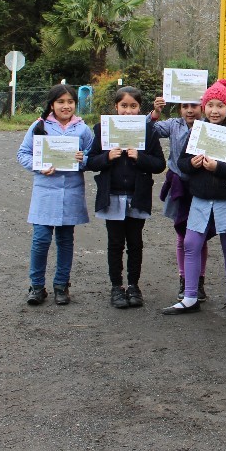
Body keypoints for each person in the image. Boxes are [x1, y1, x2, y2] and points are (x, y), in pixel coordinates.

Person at [163, 79, 226, 314]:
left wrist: (219, 168)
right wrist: (193, 164)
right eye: (211, 105)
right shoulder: (197, 131)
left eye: (220, 106)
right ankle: (191, 296)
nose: (215, 110)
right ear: (204, 107)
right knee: (191, 244)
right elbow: (182, 162)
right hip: (201, 198)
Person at [87, 86, 166, 309]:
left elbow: (160, 164)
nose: (128, 111)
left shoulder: (148, 132)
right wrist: (107, 157)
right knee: (115, 243)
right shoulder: (103, 129)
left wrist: (139, 157)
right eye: (124, 106)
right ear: (116, 107)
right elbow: (91, 161)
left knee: (135, 243)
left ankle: (133, 286)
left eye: (133, 106)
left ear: (140, 108)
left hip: (137, 195)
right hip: (111, 195)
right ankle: (116, 287)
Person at [16, 84, 94, 306]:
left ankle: (61, 285)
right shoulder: (39, 126)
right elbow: (22, 154)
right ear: (52, 105)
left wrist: (82, 160)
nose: (66, 106)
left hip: (70, 192)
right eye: (61, 102)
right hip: (45, 192)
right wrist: (38, 166)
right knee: (40, 240)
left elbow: (92, 156)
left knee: (65, 240)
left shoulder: (82, 130)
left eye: (70, 102)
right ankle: (37, 286)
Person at [152, 95, 210, 302]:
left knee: (198, 235)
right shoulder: (173, 125)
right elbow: (152, 129)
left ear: (201, 107)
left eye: (194, 105)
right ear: (179, 109)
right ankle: (184, 279)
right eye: (185, 106)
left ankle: (199, 280)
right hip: (179, 184)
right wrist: (155, 113)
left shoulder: (208, 125)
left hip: (200, 185)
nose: (189, 110)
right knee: (181, 234)